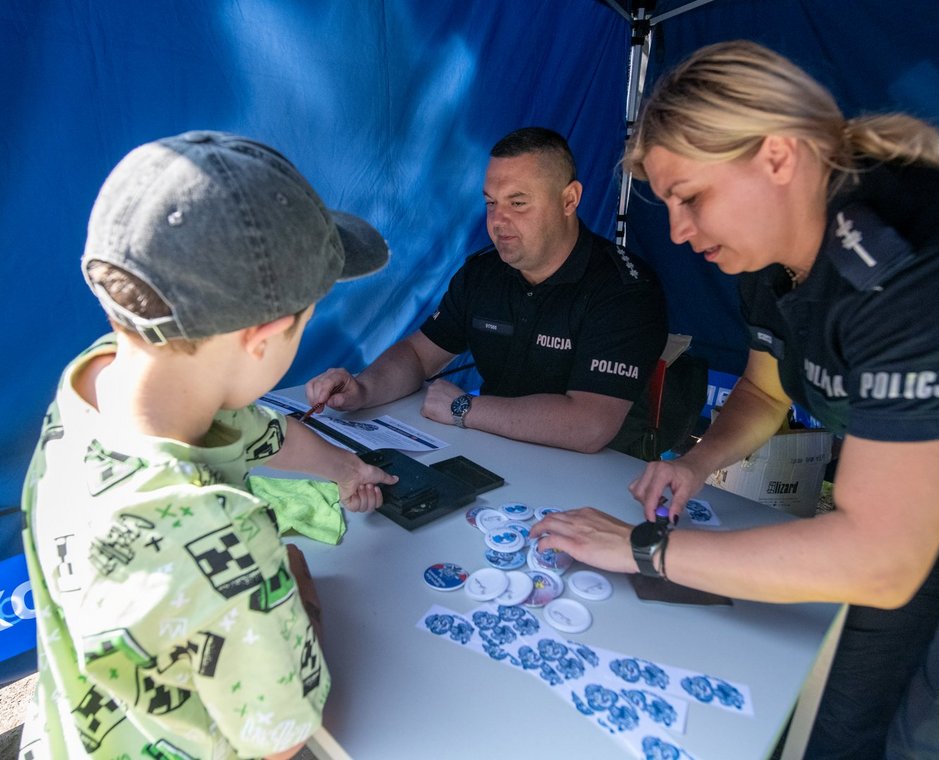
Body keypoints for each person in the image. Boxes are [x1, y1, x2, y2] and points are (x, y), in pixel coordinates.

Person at [531, 41, 939, 759]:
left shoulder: (907, 266)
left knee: (875, 726)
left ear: (778, 158)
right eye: (668, 206)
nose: (678, 231)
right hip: (903, 499)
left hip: (912, 525)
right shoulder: (772, 253)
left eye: (691, 198)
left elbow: (883, 559)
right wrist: (696, 462)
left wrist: (643, 548)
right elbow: (763, 390)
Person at [18, 130, 398, 759]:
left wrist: (342, 467)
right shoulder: (221, 532)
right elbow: (282, 737)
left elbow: (257, 432)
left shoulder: (102, 376)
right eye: (306, 322)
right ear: (266, 335)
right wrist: (295, 584)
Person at [305, 127, 668, 454]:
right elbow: (418, 354)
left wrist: (464, 407)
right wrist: (363, 389)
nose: (497, 220)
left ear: (569, 200)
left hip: (602, 479)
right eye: (491, 202)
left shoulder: (625, 289)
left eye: (518, 202)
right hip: (495, 451)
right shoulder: (483, 272)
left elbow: (589, 425)